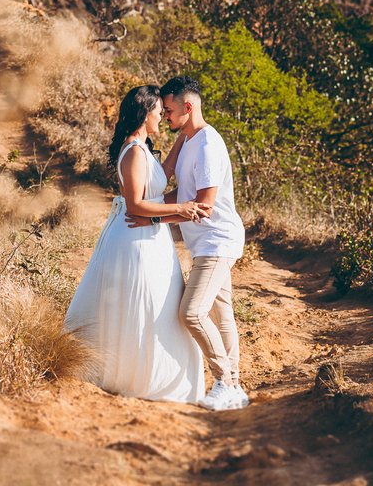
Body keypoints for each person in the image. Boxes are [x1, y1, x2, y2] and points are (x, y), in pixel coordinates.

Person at [63, 85, 211, 402]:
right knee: (142, 306)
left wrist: (184, 137)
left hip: (152, 238)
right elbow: (136, 206)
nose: (163, 116)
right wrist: (180, 209)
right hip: (135, 237)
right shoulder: (132, 152)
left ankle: (153, 372)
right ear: (145, 113)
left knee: (157, 305)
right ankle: (138, 376)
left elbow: (163, 174)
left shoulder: (142, 149)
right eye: (160, 111)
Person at [127, 75, 248, 411]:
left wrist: (152, 218)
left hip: (216, 240)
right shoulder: (190, 141)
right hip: (205, 242)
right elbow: (180, 197)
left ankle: (225, 381)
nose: (164, 116)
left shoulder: (208, 144)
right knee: (222, 316)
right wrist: (147, 207)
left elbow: (203, 207)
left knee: (192, 313)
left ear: (187, 107)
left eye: (168, 110)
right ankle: (234, 387)